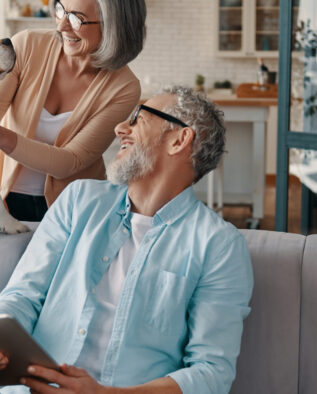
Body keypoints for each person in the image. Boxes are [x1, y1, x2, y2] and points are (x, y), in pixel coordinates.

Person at [0, 87, 253, 394]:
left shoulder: (218, 244)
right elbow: (23, 296)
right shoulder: (78, 201)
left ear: (179, 140)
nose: (121, 128)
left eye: (138, 119)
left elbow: (211, 373)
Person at [0, 0, 146, 222]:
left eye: (78, 19)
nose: (61, 26)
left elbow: (71, 162)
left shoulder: (124, 87)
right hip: (6, 199)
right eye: (60, 10)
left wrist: (5, 139)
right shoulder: (27, 45)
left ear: (114, 27)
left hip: (74, 211)